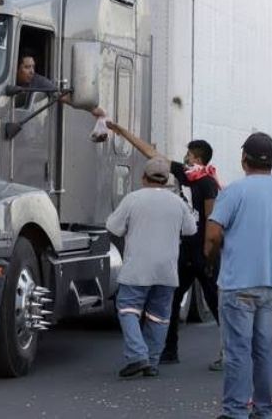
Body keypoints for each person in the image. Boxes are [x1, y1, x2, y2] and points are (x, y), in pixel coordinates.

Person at [107, 123, 223, 369]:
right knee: (171, 301)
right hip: (186, 251)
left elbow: (211, 217)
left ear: (197, 158)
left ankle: (228, 351)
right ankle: (168, 351)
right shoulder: (187, 175)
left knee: (214, 302)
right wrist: (125, 133)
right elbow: (153, 155)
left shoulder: (207, 182)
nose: (185, 158)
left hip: (201, 251)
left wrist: (208, 254)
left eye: (189, 155)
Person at [205, 132, 272, 419]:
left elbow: (212, 234)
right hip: (269, 284)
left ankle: (235, 411)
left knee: (236, 352)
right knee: (263, 351)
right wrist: (270, 256)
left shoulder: (233, 191)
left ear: (244, 158)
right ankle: (263, 409)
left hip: (237, 284)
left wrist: (213, 256)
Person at [106, 157, 198, 378]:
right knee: (159, 316)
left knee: (128, 310)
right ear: (166, 180)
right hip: (167, 269)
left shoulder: (133, 199)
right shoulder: (177, 202)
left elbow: (113, 227)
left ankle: (138, 356)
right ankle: (153, 361)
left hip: (137, 267)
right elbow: (191, 230)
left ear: (143, 178)